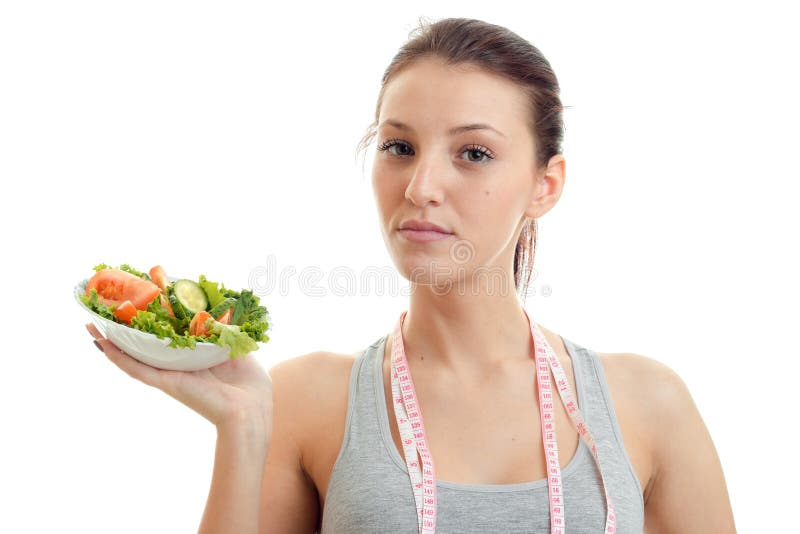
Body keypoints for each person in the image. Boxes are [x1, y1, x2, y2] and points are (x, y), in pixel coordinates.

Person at [86, 16, 736, 533]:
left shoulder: (648, 405)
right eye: (398, 146)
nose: (422, 186)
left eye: (474, 153)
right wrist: (242, 428)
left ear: (545, 184)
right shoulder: (306, 400)